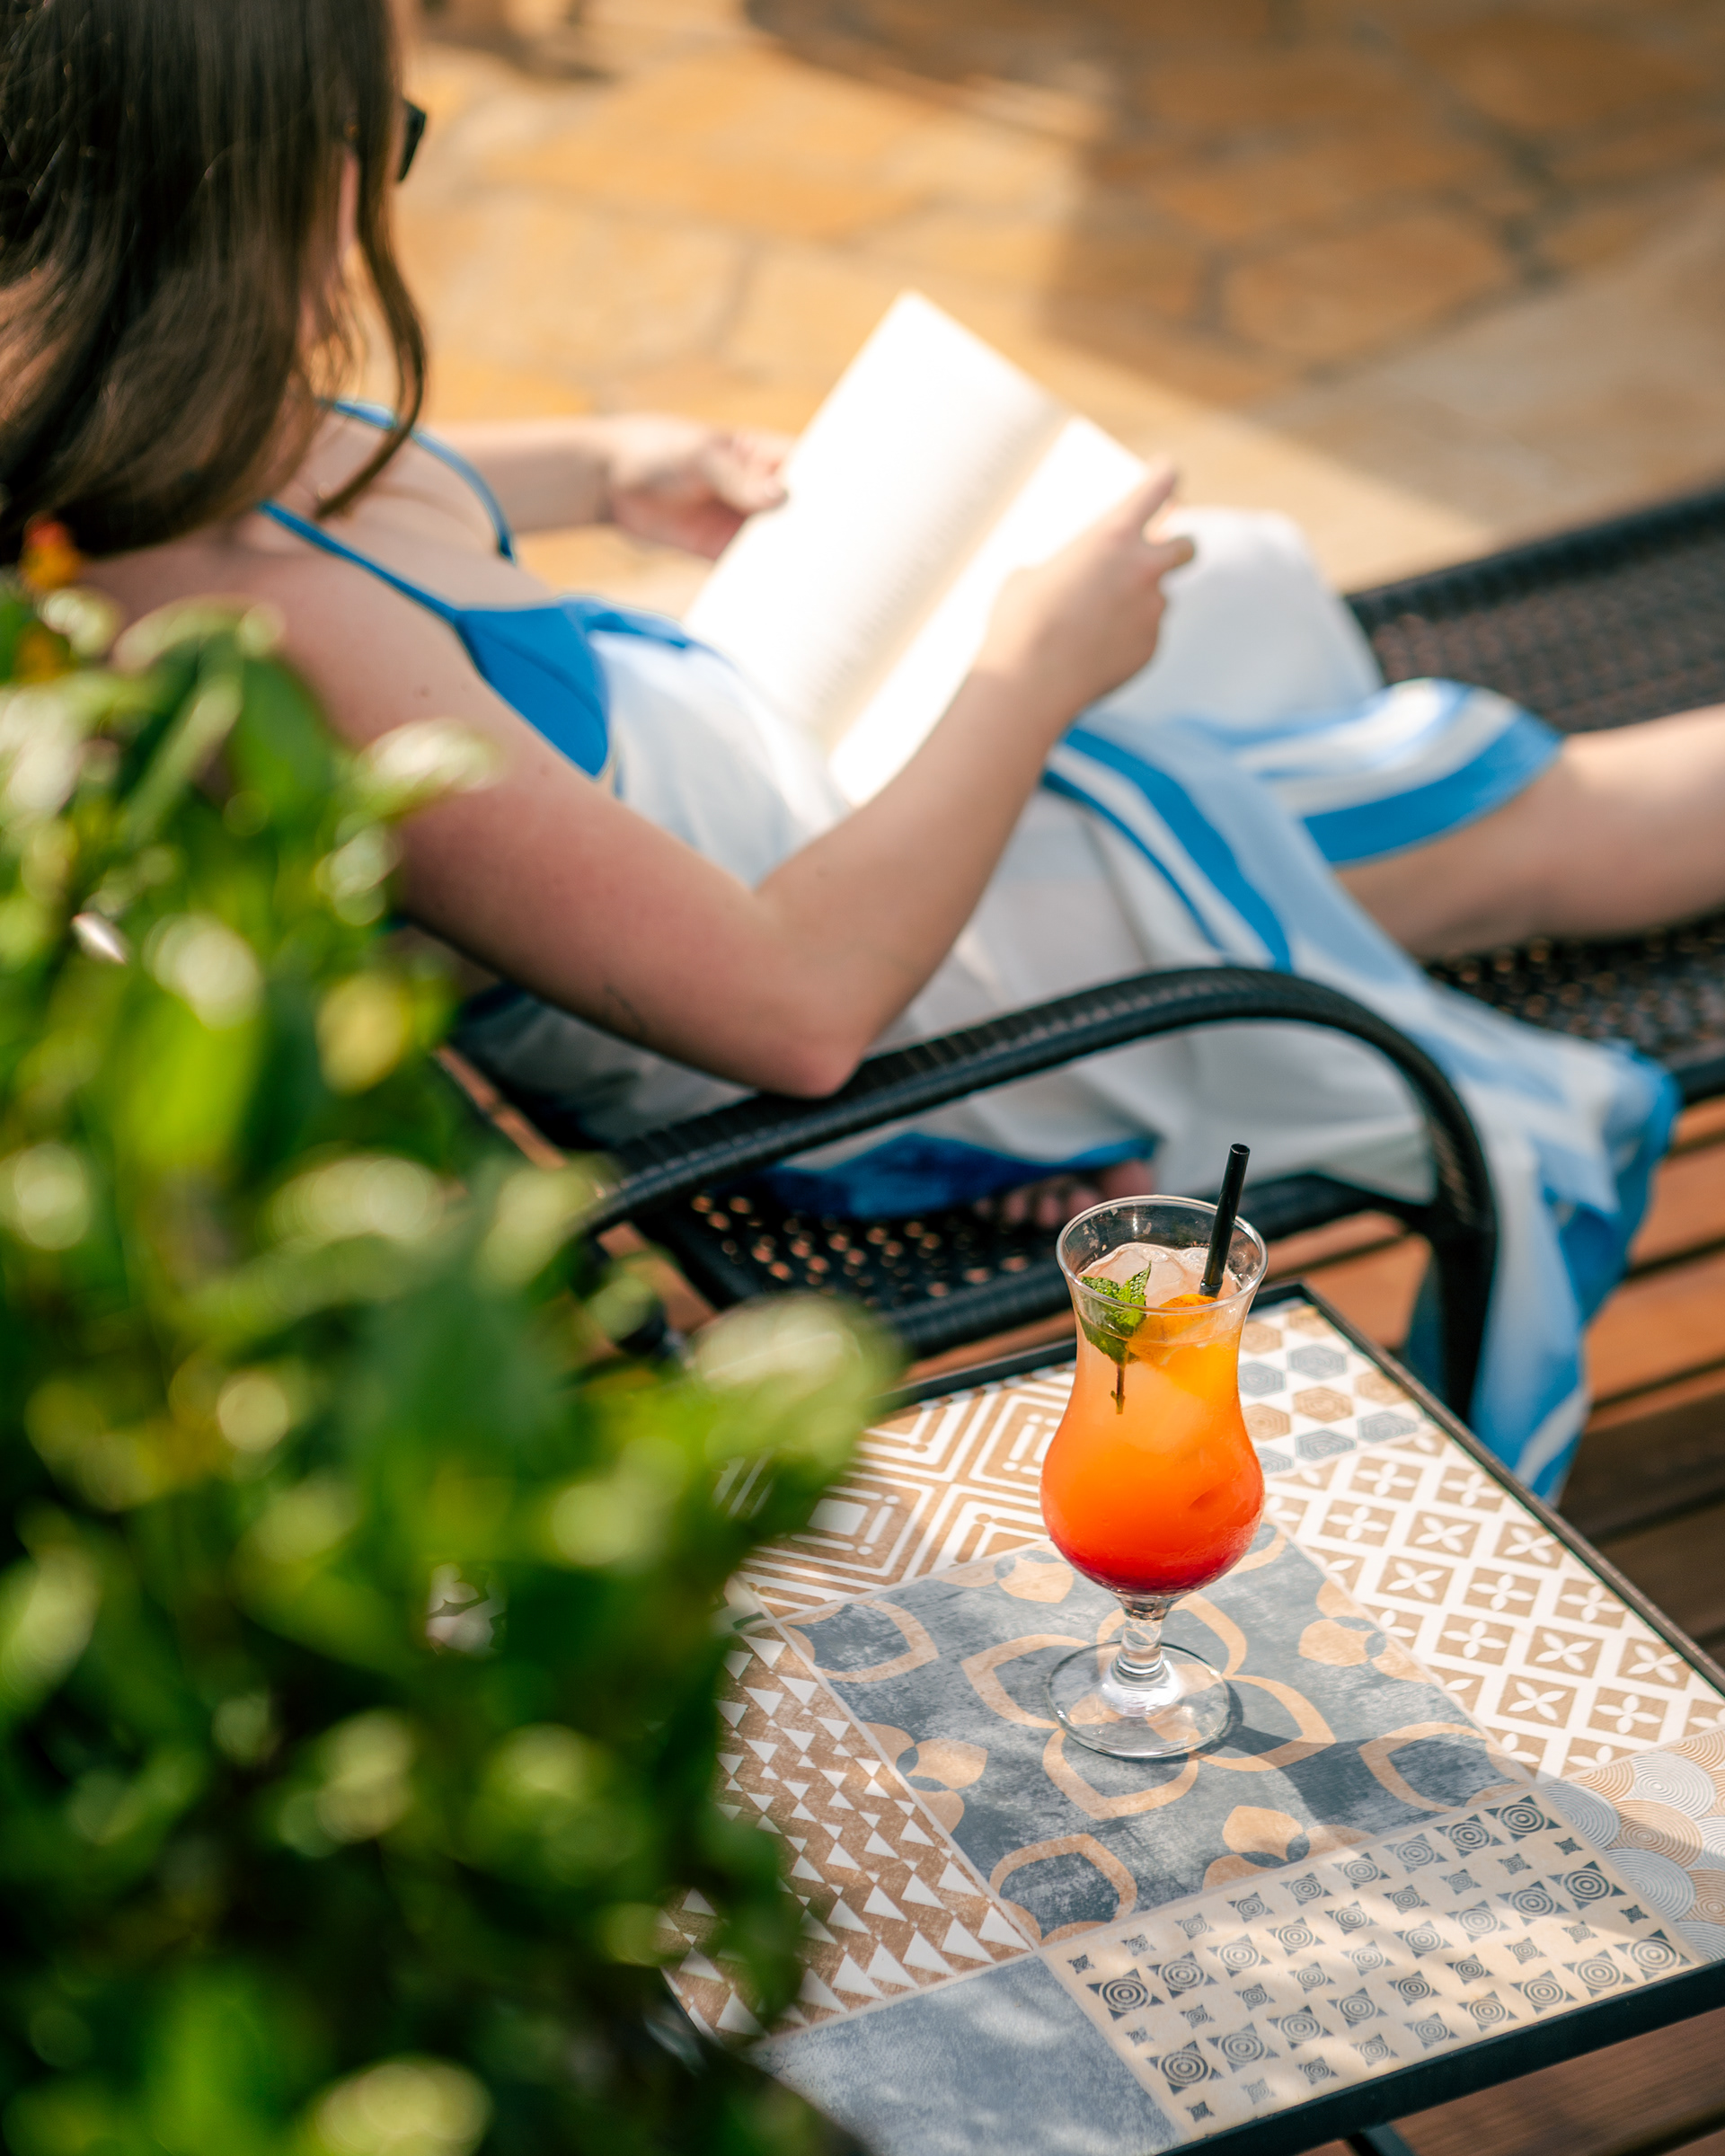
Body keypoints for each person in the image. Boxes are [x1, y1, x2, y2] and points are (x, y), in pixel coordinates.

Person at [3, 0, 1719, 1492]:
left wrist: (611, 462)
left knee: (1218, 594)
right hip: (896, 961)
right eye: (385, 135)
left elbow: (370, 479)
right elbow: (794, 1009)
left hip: (795, 795)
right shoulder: (275, 639)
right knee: (1504, 806)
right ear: (259, 192)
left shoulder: (146, 445)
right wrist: (1024, 679)